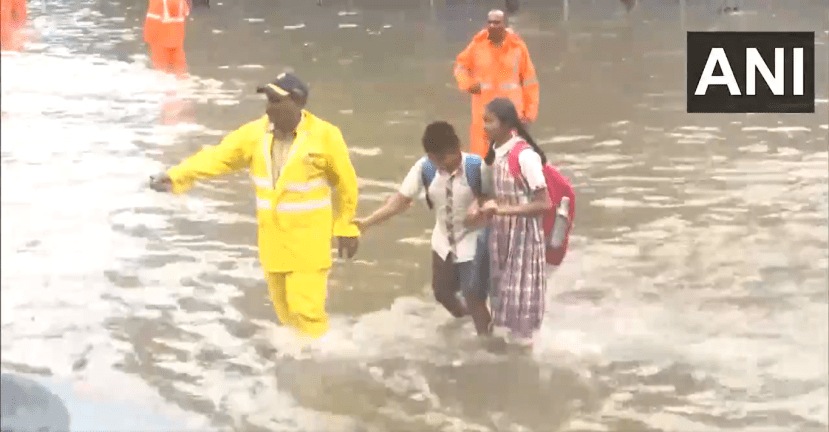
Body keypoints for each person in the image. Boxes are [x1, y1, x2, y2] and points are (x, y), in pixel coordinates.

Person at [149, 72, 361, 339]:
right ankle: (298, 365)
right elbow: (218, 158)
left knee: (305, 310)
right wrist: (176, 175)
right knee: (285, 313)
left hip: (308, 243)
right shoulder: (254, 134)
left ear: (298, 101)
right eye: (267, 100)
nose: (269, 107)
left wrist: (346, 226)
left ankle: (321, 365)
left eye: (275, 100)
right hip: (272, 242)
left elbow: (346, 184)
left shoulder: (325, 136)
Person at [354, 121, 493, 336]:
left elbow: (495, 198)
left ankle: (487, 343)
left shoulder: (478, 167)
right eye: (435, 159)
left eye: (446, 158)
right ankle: (468, 322)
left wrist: (480, 204)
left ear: (459, 147)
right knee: (442, 293)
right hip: (443, 241)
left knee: (473, 294)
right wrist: (366, 223)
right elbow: (400, 201)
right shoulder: (425, 169)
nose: (442, 165)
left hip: (474, 239)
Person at [472, 97, 551, 347]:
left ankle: (524, 365)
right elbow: (497, 197)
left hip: (525, 243)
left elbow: (544, 203)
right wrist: (482, 209)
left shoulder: (524, 156)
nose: (484, 126)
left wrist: (503, 211)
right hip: (502, 240)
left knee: (521, 320)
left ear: (506, 124)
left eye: (489, 121)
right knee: (503, 309)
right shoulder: (496, 154)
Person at [453, 9, 539, 158]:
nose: (492, 26)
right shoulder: (477, 45)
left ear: (504, 24)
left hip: (511, 116)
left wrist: (528, 115)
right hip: (483, 116)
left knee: (512, 158)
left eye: (497, 22)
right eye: (490, 22)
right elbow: (460, 67)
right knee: (481, 161)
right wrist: (468, 84)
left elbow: (530, 83)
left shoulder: (518, 48)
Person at [144, 0, 190, 76]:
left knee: (161, 74)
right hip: (176, 40)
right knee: (181, 73)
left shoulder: (158, 2)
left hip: (160, 40)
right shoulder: (181, 2)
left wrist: (148, 39)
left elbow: (152, 24)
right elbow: (185, 12)